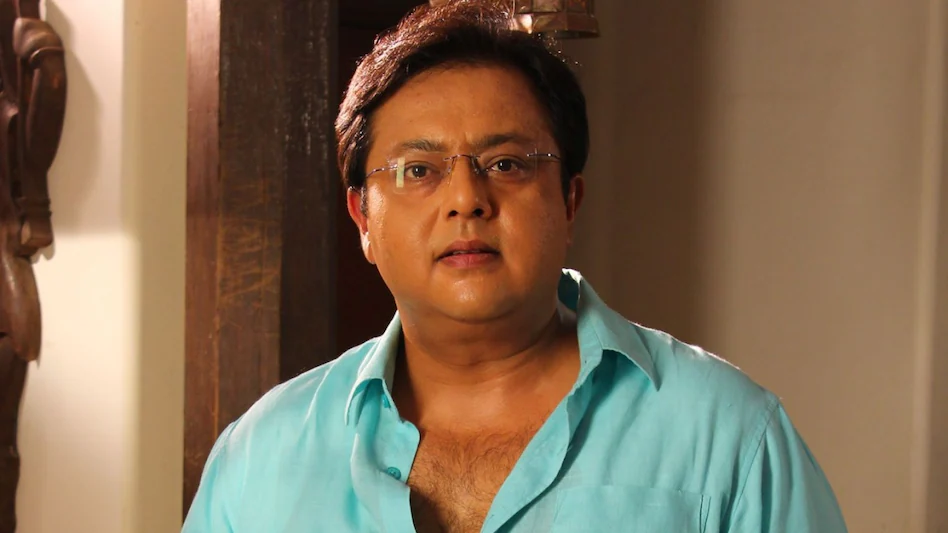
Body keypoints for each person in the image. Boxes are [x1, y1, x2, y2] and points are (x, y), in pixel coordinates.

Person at [183, 1, 848, 532]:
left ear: (569, 201)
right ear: (362, 218)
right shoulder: (260, 458)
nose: (466, 199)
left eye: (506, 163)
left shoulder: (730, 437)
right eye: (419, 170)